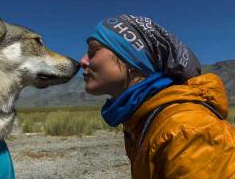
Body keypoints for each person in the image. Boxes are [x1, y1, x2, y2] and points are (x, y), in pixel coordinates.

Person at [80, 14, 235, 178]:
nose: (82, 61)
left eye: (93, 51)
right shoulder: (144, 121)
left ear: (131, 60)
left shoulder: (187, 130)